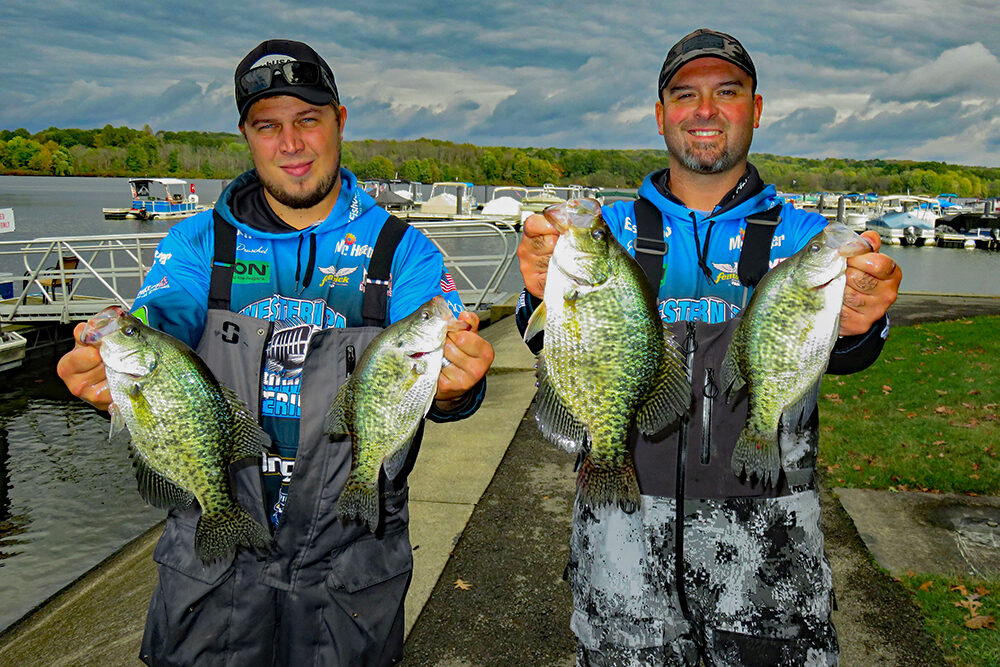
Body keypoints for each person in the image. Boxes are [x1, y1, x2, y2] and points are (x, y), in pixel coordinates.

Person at [57, 39, 494, 666]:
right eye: (268, 126)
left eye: (307, 120)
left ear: (339, 121)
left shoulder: (403, 252)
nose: (290, 144)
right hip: (212, 570)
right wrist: (110, 367)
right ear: (246, 134)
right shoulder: (195, 244)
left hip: (351, 562)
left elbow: (446, 355)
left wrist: (458, 384)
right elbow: (158, 319)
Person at [516, 28, 901, 667]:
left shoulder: (810, 242)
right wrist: (538, 292)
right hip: (619, 543)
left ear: (755, 108)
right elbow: (558, 343)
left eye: (727, 92)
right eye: (684, 94)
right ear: (661, 113)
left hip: (770, 553)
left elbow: (845, 350)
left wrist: (863, 320)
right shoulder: (604, 234)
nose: (704, 110)